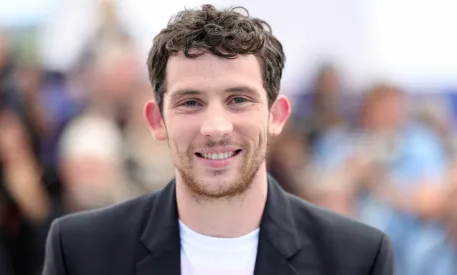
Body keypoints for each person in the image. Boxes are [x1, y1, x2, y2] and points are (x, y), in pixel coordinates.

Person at [42, 4, 394, 275]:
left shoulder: (356, 258)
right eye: (190, 102)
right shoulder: (81, 251)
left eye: (238, 99)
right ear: (156, 120)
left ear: (277, 115)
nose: (215, 127)